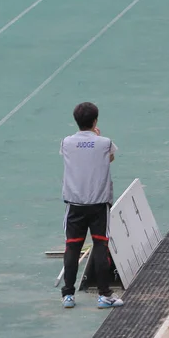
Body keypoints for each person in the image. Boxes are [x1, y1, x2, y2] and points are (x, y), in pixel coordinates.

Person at [59, 102, 124, 309]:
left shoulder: (66, 143)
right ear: (95, 121)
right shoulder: (104, 142)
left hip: (75, 204)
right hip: (98, 203)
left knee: (72, 247)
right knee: (100, 246)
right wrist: (96, 137)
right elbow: (109, 158)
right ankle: (104, 295)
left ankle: (68, 295)